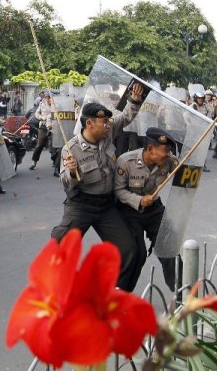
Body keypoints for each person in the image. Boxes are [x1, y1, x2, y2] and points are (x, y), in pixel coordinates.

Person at [51, 83, 146, 292]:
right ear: (89, 123)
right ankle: (60, 294)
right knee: (60, 246)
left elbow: (126, 116)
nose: (107, 124)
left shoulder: (108, 132)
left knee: (129, 250)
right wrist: (73, 171)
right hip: (81, 205)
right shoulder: (71, 148)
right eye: (103, 121)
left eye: (107, 121)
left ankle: (117, 294)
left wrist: (135, 100)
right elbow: (65, 181)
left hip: (106, 207)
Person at [114, 127, 179, 291]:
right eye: (165, 150)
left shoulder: (169, 161)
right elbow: (118, 191)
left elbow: (182, 172)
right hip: (129, 211)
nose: (168, 154)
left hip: (154, 210)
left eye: (170, 151)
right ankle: (120, 295)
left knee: (169, 248)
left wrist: (185, 166)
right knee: (137, 254)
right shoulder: (125, 161)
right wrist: (140, 200)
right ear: (150, 149)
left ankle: (182, 295)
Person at [29, 92, 53, 170]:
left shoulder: (56, 105)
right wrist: (41, 117)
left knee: (53, 146)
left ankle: (55, 162)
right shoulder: (42, 103)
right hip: (43, 125)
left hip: (53, 126)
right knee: (39, 144)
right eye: (47, 97)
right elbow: (37, 113)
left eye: (49, 97)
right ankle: (34, 161)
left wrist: (49, 117)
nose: (48, 99)